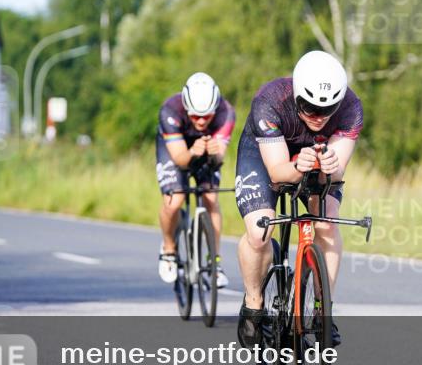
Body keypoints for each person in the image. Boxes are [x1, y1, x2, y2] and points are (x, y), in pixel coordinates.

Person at [235, 50, 363, 348]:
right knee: (259, 231)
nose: (318, 117)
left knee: (327, 222)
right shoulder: (269, 100)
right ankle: (253, 303)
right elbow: (278, 174)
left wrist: (329, 167)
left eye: (327, 109)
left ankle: (322, 312)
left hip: (314, 159)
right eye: (309, 108)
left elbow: (337, 171)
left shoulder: (351, 108)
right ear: (296, 97)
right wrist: (296, 165)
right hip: (267, 154)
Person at [155, 72, 235, 287]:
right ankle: (169, 249)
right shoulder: (170, 110)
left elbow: (219, 160)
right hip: (176, 149)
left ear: (215, 109)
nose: (201, 121)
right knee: (174, 201)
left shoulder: (225, 113)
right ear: (186, 106)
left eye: (206, 116)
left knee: (210, 198)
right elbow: (181, 160)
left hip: (205, 149)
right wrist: (192, 152)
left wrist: (214, 153)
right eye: (195, 116)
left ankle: (215, 262)